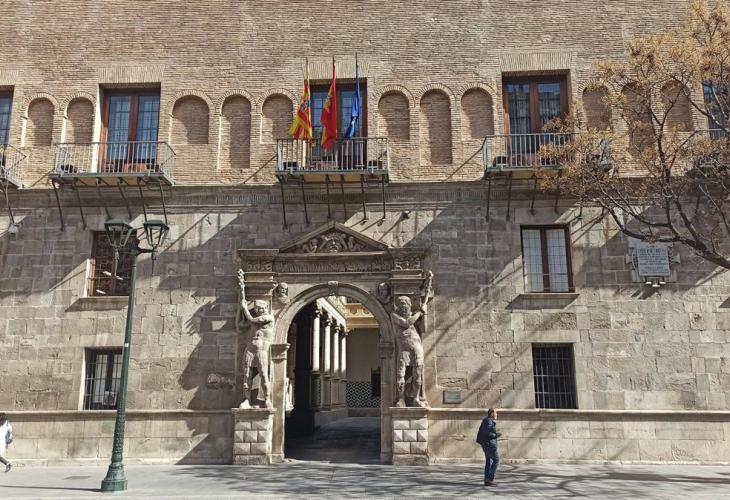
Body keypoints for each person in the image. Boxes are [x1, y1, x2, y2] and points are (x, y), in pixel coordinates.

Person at [476, 408, 499, 486]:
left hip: (486, 444)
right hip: (489, 445)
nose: (497, 414)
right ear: (492, 413)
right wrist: (496, 435)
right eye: (496, 413)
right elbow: (488, 433)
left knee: (489, 462)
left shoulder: (486, 420)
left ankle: (487, 480)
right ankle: (490, 479)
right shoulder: (489, 421)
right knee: (496, 460)